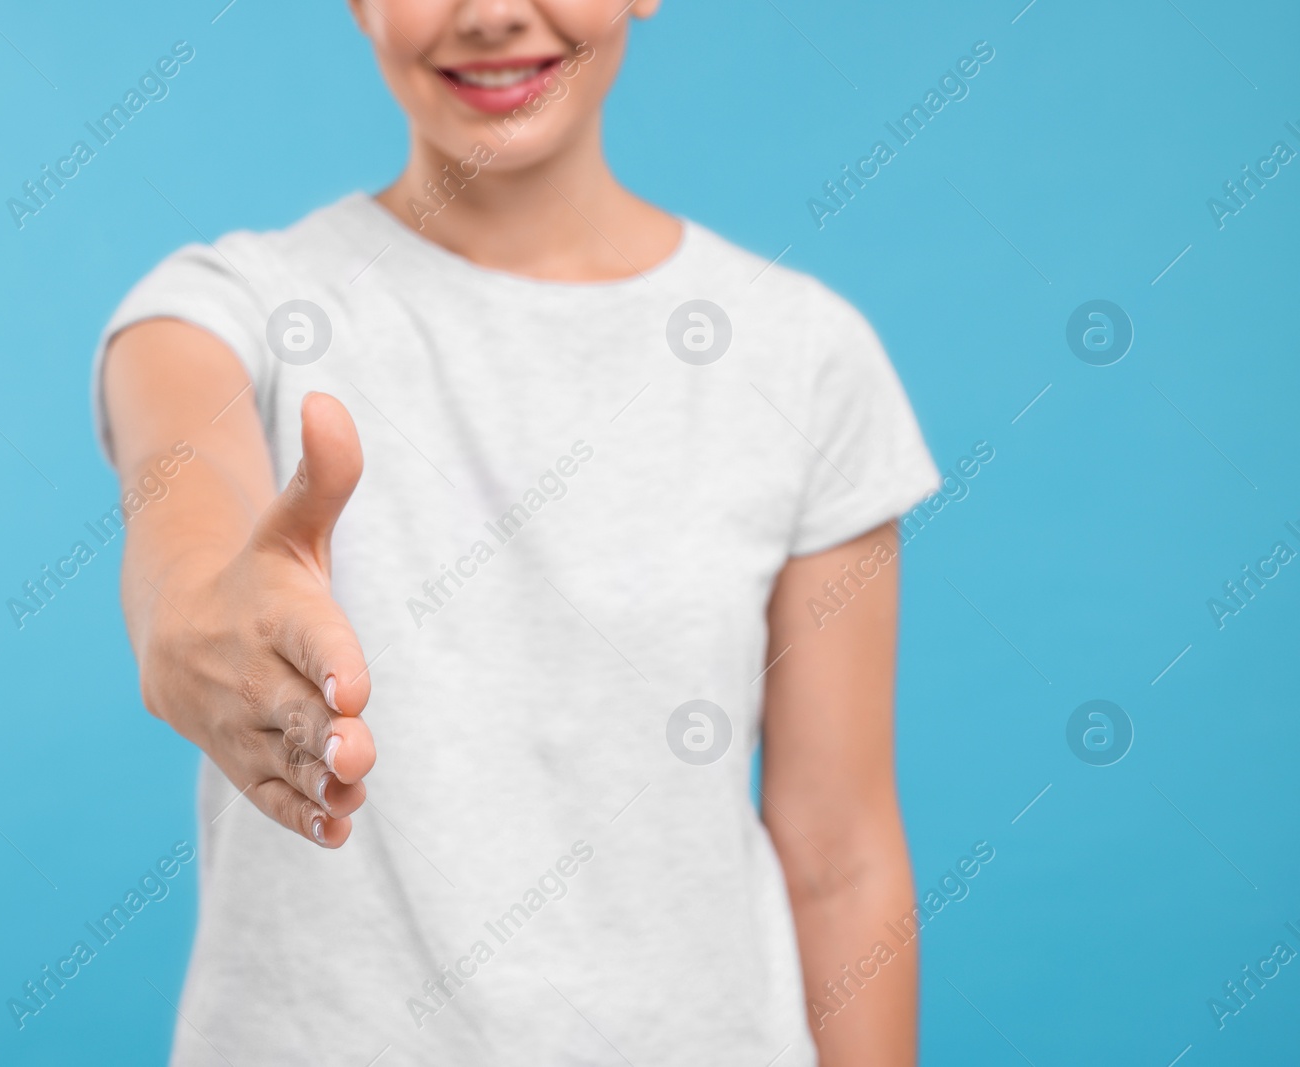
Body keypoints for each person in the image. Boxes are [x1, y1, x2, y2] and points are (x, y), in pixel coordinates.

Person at [94, 2, 937, 1063]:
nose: (492, 14)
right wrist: (193, 609)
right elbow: (185, 494)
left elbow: (841, 857)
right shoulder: (228, 308)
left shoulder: (803, 358)